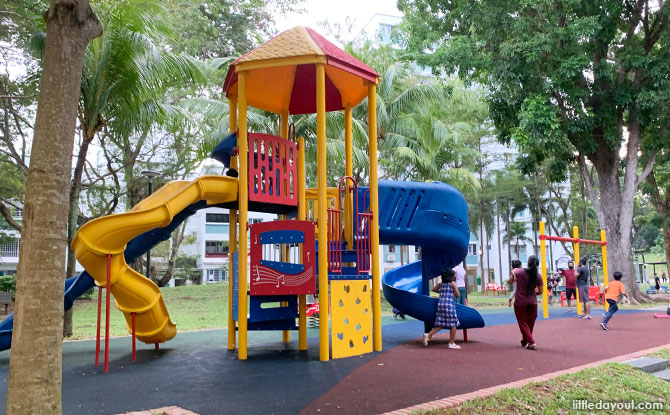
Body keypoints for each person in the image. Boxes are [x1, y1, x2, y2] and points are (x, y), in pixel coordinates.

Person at [423, 269, 461, 349]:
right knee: (453, 324)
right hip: (449, 305)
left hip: (440, 304)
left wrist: (442, 292)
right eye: (453, 275)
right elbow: (458, 295)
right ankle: (451, 343)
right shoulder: (452, 283)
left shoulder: (441, 284)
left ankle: (428, 335)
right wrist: (451, 293)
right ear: (450, 276)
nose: (454, 276)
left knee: (441, 323)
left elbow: (434, 289)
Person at [511, 255, 543, 350]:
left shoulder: (520, 272)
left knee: (523, 322)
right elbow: (540, 291)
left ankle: (531, 342)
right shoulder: (538, 276)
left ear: (527, 263)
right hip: (533, 302)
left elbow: (513, 271)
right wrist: (534, 292)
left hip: (520, 301)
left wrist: (513, 275)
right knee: (530, 323)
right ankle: (525, 341)